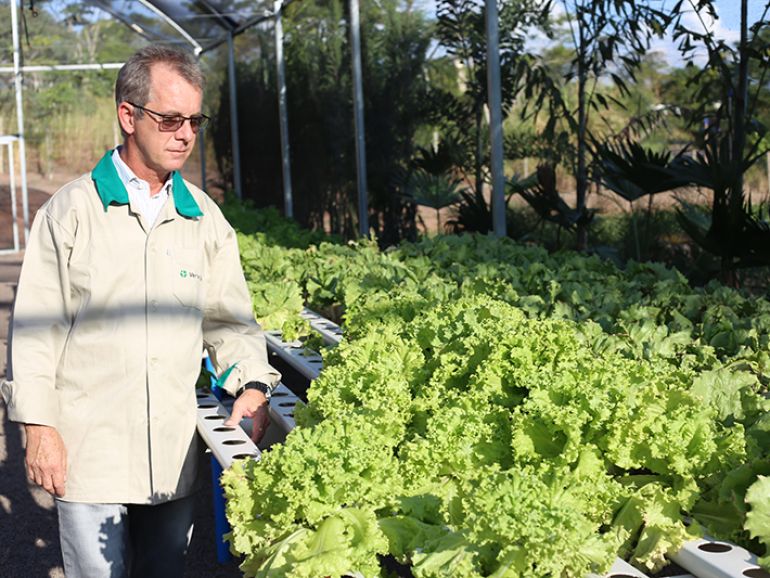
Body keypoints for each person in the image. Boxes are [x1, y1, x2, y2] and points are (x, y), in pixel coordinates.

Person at [1, 45, 280, 578]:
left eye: (195, 121)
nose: (185, 134)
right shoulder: (72, 211)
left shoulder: (203, 218)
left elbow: (230, 321)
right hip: (88, 450)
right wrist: (39, 428)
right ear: (128, 116)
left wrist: (252, 384)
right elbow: (35, 331)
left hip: (171, 454)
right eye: (171, 119)